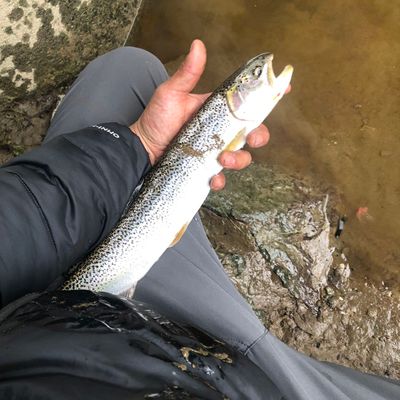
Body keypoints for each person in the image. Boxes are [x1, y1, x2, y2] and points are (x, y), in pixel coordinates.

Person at [0, 40, 399, 399]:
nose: (262, 75)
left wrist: (143, 141)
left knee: (129, 68)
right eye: (255, 77)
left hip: (48, 309)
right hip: (195, 367)